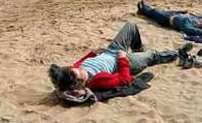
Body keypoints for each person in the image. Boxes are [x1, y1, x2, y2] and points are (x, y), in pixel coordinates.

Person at [49, 22, 190, 91]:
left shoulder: (73, 71)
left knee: (131, 26)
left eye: (77, 69)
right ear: (80, 83)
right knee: (152, 55)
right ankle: (177, 53)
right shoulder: (97, 81)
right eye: (80, 73)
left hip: (111, 50)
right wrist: (122, 59)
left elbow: (80, 62)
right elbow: (125, 79)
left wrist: (92, 53)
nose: (80, 68)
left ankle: (138, 49)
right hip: (124, 62)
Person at [136, 1, 202, 42]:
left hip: (166, 20)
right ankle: (144, 8)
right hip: (173, 14)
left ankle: (143, 9)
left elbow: (200, 32)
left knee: (155, 12)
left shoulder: (189, 26)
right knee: (157, 10)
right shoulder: (197, 20)